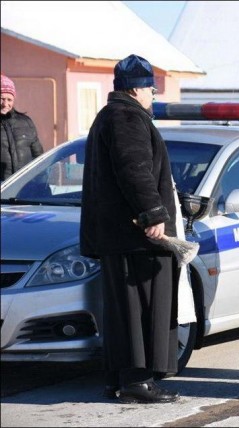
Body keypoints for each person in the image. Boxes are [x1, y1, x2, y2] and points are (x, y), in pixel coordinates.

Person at [80, 54, 180, 404]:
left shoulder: (111, 115)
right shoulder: (127, 117)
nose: (154, 96)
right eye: (152, 89)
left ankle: (117, 379)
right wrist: (154, 215)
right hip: (135, 236)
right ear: (138, 89)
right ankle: (139, 380)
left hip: (119, 235)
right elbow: (133, 168)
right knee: (142, 309)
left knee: (123, 311)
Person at [1, 74, 44, 180]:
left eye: (9, 100)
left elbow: (38, 157)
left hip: (23, 186)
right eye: (1, 99)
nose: (5, 104)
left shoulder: (26, 122)